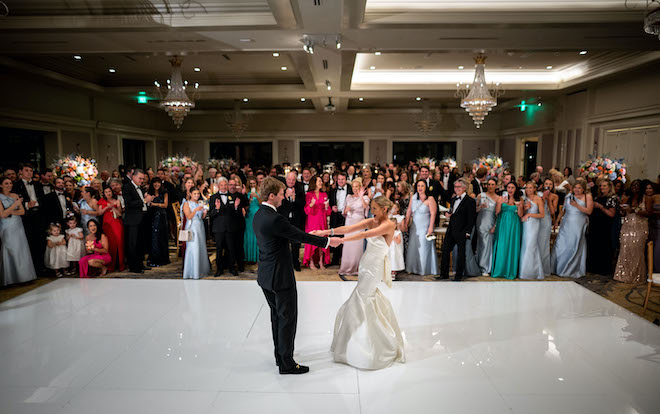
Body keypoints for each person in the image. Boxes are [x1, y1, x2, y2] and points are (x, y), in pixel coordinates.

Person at [252, 177, 339, 375]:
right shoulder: (274, 219)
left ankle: (280, 356)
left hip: (266, 275)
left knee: (277, 317)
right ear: (272, 196)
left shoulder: (259, 214)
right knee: (287, 319)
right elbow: (299, 236)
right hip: (280, 277)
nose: (285, 196)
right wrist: (326, 242)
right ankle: (287, 363)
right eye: (282, 193)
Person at [314, 196, 405, 369]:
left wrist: (340, 241)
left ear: (385, 209)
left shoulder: (389, 225)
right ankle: (355, 341)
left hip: (374, 267)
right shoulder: (372, 220)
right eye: (372, 208)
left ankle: (370, 343)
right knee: (363, 298)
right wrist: (325, 233)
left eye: (375, 208)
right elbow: (349, 227)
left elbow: (364, 234)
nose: (372, 211)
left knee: (363, 298)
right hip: (365, 263)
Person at [0, 176, 37, 286]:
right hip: (7, 227)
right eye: (6, 183)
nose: (9, 185)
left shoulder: (15, 195)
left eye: (10, 183)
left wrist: (10, 212)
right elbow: (2, 215)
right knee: (10, 249)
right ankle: (11, 278)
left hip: (18, 225)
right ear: (1, 185)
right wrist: (15, 206)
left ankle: (24, 276)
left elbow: (22, 212)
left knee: (21, 249)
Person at [614, 179, 652, 283]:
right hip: (627, 226)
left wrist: (635, 210)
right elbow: (623, 213)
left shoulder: (647, 198)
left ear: (641, 187)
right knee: (625, 249)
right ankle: (623, 275)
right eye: (633, 185)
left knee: (637, 250)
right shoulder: (628, 198)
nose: (635, 187)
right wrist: (623, 209)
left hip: (640, 227)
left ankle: (637, 276)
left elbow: (649, 213)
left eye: (637, 185)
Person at [552, 180, 592, 278]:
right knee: (560, 244)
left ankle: (570, 269)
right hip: (566, 222)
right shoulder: (569, 196)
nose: (577, 190)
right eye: (575, 188)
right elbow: (563, 210)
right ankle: (557, 268)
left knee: (573, 244)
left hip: (578, 223)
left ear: (583, 189)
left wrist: (577, 205)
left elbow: (589, 211)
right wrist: (557, 221)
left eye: (579, 188)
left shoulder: (587, 196)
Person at [438, 178, 476, 281]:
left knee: (461, 253)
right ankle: (443, 274)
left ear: (464, 188)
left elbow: (471, 219)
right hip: (451, 229)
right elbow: (452, 212)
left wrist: (467, 232)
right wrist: (448, 214)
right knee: (445, 250)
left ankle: (459, 276)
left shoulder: (470, 201)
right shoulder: (454, 199)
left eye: (459, 187)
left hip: (462, 231)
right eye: (455, 187)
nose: (457, 188)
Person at [13, 163, 46, 274]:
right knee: (30, 242)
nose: (29, 173)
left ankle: (42, 268)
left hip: (39, 216)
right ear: (21, 172)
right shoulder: (16, 185)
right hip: (26, 217)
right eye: (26, 170)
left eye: (31, 171)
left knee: (41, 242)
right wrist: (27, 205)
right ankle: (33, 270)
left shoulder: (38, 184)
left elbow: (43, 200)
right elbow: (14, 203)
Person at [209, 177, 242, 276]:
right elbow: (210, 214)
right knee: (219, 249)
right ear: (218, 186)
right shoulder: (213, 197)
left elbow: (237, 214)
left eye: (225, 185)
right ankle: (219, 269)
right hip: (218, 228)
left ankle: (232, 268)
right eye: (221, 185)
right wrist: (217, 209)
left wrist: (236, 207)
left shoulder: (233, 196)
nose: (223, 187)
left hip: (230, 227)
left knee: (231, 249)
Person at [123, 169, 154, 274]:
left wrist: (147, 200)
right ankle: (134, 267)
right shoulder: (127, 187)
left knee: (141, 243)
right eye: (140, 178)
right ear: (133, 177)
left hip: (142, 219)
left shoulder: (140, 188)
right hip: (132, 221)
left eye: (143, 179)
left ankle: (140, 264)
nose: (141, 180)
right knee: (133, 244)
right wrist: (145, 201)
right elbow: (129, 203)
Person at [587, 179, 619, 276]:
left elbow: (611, 214)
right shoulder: (598, 196)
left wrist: (600, 207)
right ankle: (593, 267)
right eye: (601, 186)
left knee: (603, 246)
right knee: (593, 245)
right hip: (595, 225)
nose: (602, 188)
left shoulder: (612, 198)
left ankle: (603, 269)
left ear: (609, 187)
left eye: (604, 186)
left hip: (604, 226)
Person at [491, 182, 523, 279]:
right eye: (508, 187)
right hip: (502, 225)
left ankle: (510, 271)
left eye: (512, 187)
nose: (510, 189)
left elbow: (521, 215)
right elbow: (497, 212)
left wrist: (519, 206)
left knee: (512, 246)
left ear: (515, 189)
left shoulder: (520, 199)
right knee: (502, 246)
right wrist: (500, 203)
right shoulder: (501, 198)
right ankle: (500, 270)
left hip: (514, 225)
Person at [405, 180, 438, 276]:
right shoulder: (414, 197)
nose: (420, 188)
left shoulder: (430, 199)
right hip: (414, 227)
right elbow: (409, 210)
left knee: (424, 247)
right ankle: (413, 268)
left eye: (422, 186)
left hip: (425, 227)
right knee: (413, 246)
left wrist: (431, 227)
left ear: (426, 187)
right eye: (418, 185)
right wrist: (406, 223)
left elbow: (433, 214)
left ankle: (424, 269)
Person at [339, 177, 370, 276]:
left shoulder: (365, 198)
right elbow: (343, 212)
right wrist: (345, 210)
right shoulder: (348, 197)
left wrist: (361, 196)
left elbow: (366, 208)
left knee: (357, 246)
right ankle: (347, 267)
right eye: (353, 186)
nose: (355, 188)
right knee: (348, 245)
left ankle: (357, 268)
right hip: (349, 223)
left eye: (357, 186)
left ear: (360, 187)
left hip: (359, 224)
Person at [277, 171, 306, 271]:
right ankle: (284, 264)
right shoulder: (281, 188)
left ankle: (296, 263)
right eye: (289, 179)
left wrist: (294, 199)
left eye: (293, 179)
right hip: (284, 219)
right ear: (286, 179)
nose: (291, 181)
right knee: (283, 242)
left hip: (296, 220)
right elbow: (278, 205)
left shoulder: (299, 188)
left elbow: (302, 204)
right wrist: (286, 197)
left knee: (296, 243)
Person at [303, 175, 331, 269]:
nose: (321, 182)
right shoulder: (309, 194)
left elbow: (328, 212)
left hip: (322, 220)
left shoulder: (324, 194)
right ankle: (311, 262)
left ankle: (321, 261)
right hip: (312, 220)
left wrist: (327, 207)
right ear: (314, 183)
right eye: (319, 181)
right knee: (312, 240)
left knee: (322, 240)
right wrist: (311, 204)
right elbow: (306, 210)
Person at [518, 182, 545, 280]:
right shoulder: (524, 199)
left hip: (533, 224)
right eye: (527, 188)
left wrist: (529, 215)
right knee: (525, 246)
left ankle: (530, 272)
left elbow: (542, 215)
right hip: (525, 224)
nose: (528, 190)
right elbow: (521, 213)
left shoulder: (538, 199)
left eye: (530, 188)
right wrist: (525, 209)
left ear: (534, 189)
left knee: (531, 245)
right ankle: (526, 271)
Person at [182, 188, 211, 279]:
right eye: (194, 194)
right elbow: (189, 216)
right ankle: (192, 272)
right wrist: (196, 210)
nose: (197, 195)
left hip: (200, 226)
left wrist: (204, 213)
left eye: (198, 194)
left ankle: (200, 270)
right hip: (192, 227)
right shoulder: (187, 204)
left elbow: (201, 217)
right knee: (193, 248)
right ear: (190, 194)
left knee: (200, 247)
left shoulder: (200, 203)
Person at [476, 178, 499, 275]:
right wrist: (480, 207)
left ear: (496, 186)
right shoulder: (481, 196)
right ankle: (482, 267)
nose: (490, 186)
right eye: (489, 184)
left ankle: (487, 267)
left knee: (489, 244)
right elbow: (475, 210)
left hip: (491, 222)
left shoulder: (498, 198)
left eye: (493, 184)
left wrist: (495, 225)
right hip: (481, 222)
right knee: (482, 244)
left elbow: (499, 214)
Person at [328, 172, 352, 266]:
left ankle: (346, 260)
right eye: (339, 179)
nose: (341, 181)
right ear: (336, 180)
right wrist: (332, 206)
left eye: (342, 179)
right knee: (335, 237)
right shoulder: (332, 191)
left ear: (346, 180)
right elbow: (330, 202)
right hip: (335, 216)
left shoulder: (350, 190)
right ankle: (335, 260)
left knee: (346, 238)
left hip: (347, 216)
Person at [146, 179, 170, 267]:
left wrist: (155, 204)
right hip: (151, 216)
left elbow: (165, 205)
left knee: (161, 236)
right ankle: (153, 258)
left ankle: (162, 258)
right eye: (155, 183)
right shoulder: (149, 193)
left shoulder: (164, 192)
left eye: (158, 183)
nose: (157, 184)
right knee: (153, 237)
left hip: (161, 216)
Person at [539, 178, 558, 276]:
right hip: (537, 219)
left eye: (550, 184)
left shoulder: (555, 196)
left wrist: (548, 199)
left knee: (544, 243)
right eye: (546, 183)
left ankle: (543, 267)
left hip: (546, 219)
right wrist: (542, 197)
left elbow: (553, 211)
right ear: (543, 185)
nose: (548, 185)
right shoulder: (538, 194)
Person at [243, 177, 260, 263]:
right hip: (249, 215)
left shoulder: (260, 192)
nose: (252, 185)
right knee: (249, 234)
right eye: (251, 184)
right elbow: (245, 206)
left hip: (257, 214)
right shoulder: (246, 193)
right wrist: (249, 200)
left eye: (254, 183)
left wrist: (257, 196)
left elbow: (262, 204)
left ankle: (257, 256)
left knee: (257, 234)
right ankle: (249, 256)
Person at [388, 202, 405, 279]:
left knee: (396, 253)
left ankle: (395, 269)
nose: (393, 209)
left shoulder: (401, 217)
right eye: (392, 208)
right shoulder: (388, 217)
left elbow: (404, 229)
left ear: (398, 209)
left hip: (396, 237)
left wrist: (398, 226)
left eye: (395, 208)